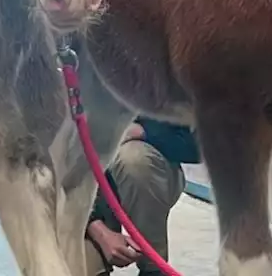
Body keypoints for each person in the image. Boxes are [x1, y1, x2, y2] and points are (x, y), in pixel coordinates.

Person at [84, 117, 201, 275]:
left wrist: (144, 131)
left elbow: (201, 143)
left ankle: (153, 269)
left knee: (135, 160)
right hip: (78, 201)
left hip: (143, 171)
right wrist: (98, 229)